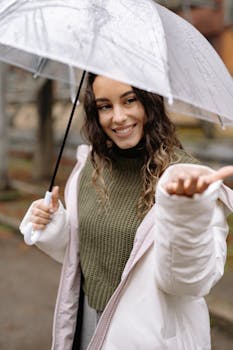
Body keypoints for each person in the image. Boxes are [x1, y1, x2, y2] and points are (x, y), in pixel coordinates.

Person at [20, 73, 233, 350]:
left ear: (149, 103)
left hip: (148, 337)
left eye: (129, 100)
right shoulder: (91, 167)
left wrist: (186, 216)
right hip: (86, 325)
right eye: (105, 106)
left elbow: (188, 283)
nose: (118, 117)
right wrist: (54, 225)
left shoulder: (185, 182)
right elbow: (89, 255)